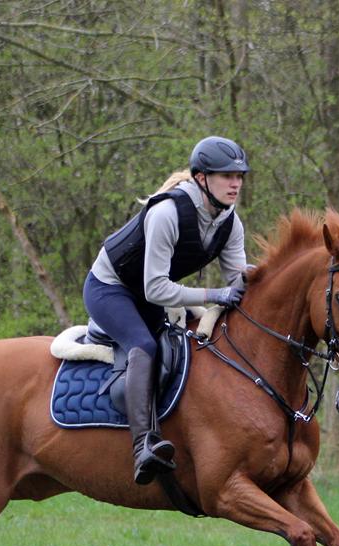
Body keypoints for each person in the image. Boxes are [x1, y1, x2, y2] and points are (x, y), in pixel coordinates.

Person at [83, 136, 250, 485]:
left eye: (239, 176)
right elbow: (155, 288)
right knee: (144, 347)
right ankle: (144, 446)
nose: (235, 183)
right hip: (109, 288)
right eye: (226, 175)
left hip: (150, 294)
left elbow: (240, 281)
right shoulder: (167, 213)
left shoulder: (230, 223)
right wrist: (215, 293)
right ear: (202, 178)